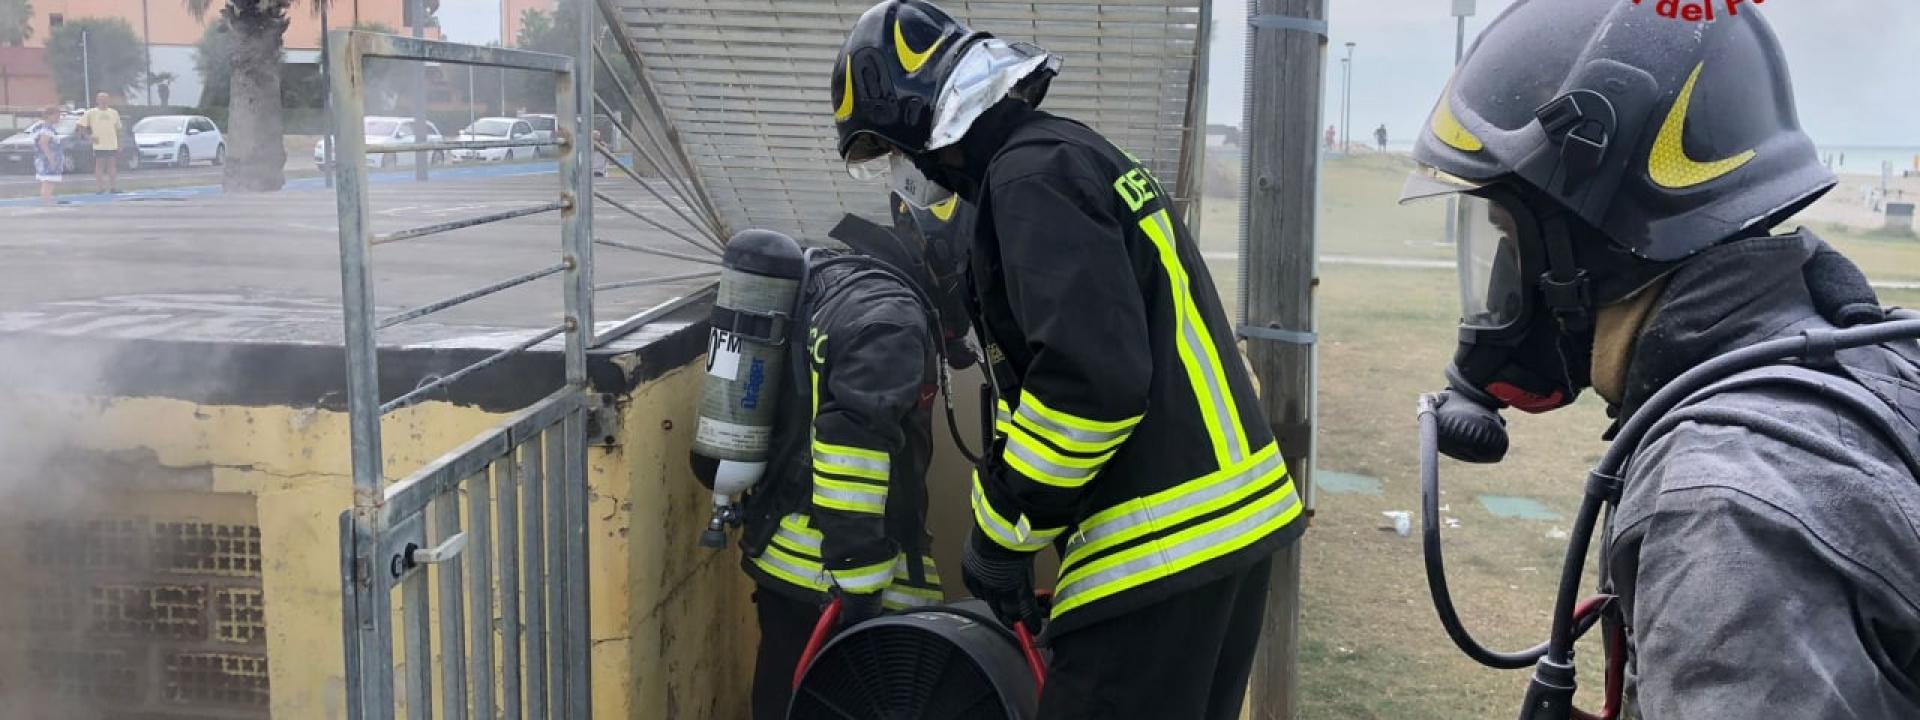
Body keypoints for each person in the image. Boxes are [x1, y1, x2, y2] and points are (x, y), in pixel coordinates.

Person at [1402, 0, 1920, 716]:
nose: (1497, 285)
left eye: (1508, 241)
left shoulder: (1724, 510)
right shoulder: (1868, 359)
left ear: (1588, 244)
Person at [831, 3, 1303, 717]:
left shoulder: (1029, 180)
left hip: (1163, 551)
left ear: (924, 120)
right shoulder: (1068, 152)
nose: (903, 172)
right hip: (1221, 538)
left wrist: (1002, 530)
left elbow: (1090, 386)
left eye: (893, 151)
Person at [737, 190, 978, 720]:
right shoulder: (891, 321)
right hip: (833, 572)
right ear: (949, 263)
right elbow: (852, 450)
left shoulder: (840, 279)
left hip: (788, 555)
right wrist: (863, 589)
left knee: (784, 688)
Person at [77, 92, 122, 194]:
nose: (103, 101)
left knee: (112, 165)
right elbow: (81, 125)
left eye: (105, 99)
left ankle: (113, 187)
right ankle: (100, 188)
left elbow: (118, 129)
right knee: (99, 165)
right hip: (99, 144)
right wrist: (88, 137)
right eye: (101, 99)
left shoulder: (114, 113)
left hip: (112, 143)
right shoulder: (91, 112)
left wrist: (119, 143)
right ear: (97, 100)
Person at [29, 105, 64, 206]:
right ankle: (46, 202)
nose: (59, 117)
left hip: (43, 158)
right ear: (49, 115)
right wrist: (51, 159)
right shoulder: (47, 128)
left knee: (48, 181)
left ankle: (47, 200)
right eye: (57, 115)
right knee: (48, 181)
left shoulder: (42, 126)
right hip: (47, 159)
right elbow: (43, 143)